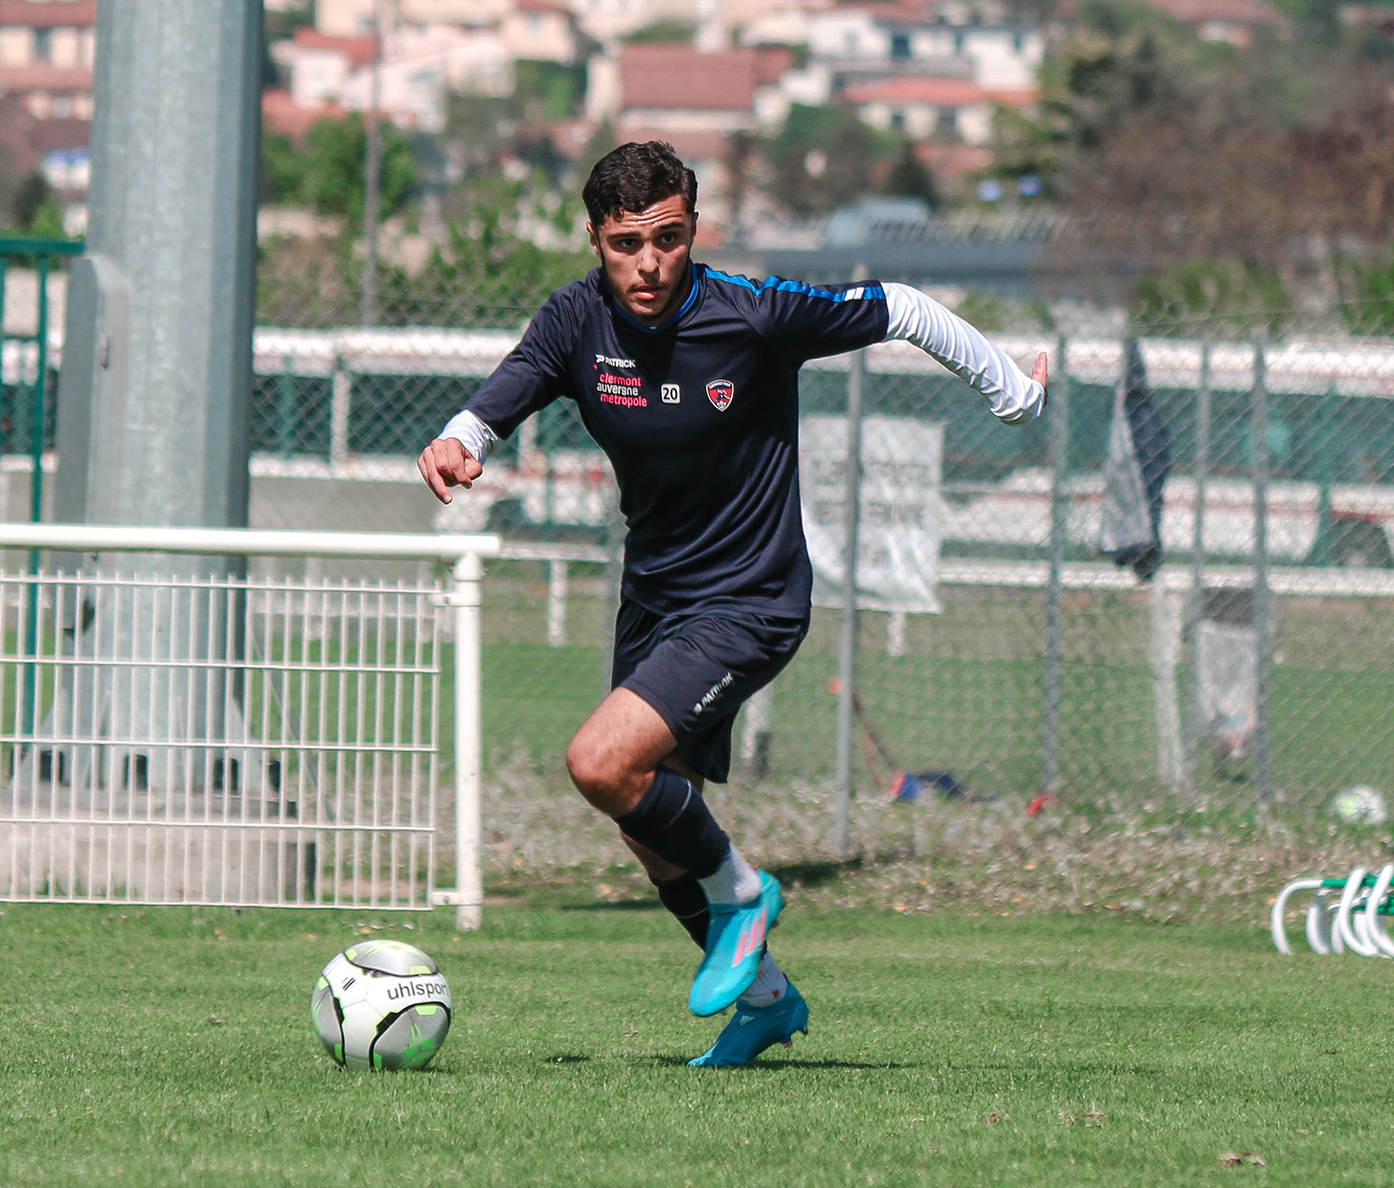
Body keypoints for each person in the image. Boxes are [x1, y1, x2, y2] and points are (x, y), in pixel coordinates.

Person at [417, 142, 1046, 1067]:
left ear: (693, 230)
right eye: (626, 243)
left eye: (669, 238)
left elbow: (902, 307)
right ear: (595, 239)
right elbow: (500, 396)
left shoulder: (751, 313)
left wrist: (1012, 389)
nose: (649, 263)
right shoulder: (575, 320)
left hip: (751, 599)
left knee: (598, 763)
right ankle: (766, 1000)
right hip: (653, 604)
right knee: (648, 823)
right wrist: (458, 438)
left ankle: (747, 896)